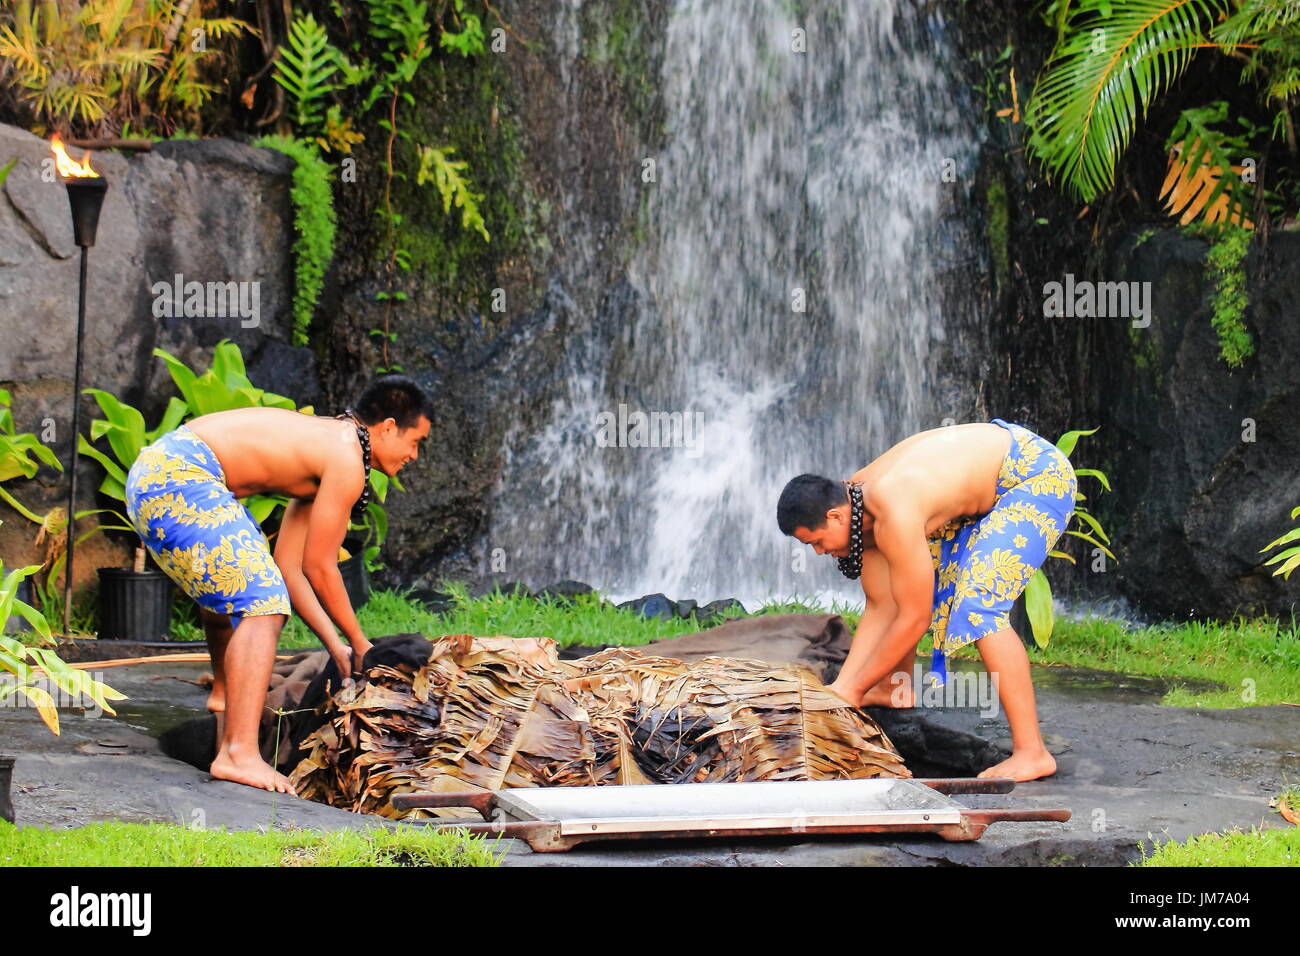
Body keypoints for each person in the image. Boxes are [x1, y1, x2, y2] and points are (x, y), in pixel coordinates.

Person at [124, 375, 433, 794]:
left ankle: (223, 695)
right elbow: (323, 567)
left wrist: (336, 646)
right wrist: (363, 646)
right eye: (416, 442)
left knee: (246, 582)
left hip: (158, 473)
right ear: (388, 427)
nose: (415, 455)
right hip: (179, 475)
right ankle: (239, 753)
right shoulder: (347, 457)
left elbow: (291, 568)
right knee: (262, 605)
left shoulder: (330, 449)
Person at [775, 418, 1076, 781]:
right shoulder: (857, 504)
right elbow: (881, 605)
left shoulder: (893, 509)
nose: (821, 552)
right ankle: (892, 689)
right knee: (898, 590)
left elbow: (914, 617)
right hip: (985, 481)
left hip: (1033, 475)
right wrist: (843, 690)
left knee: (979, 606)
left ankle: (1033, 752)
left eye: (817, 542)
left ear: (835, 516)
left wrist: (849, 689)